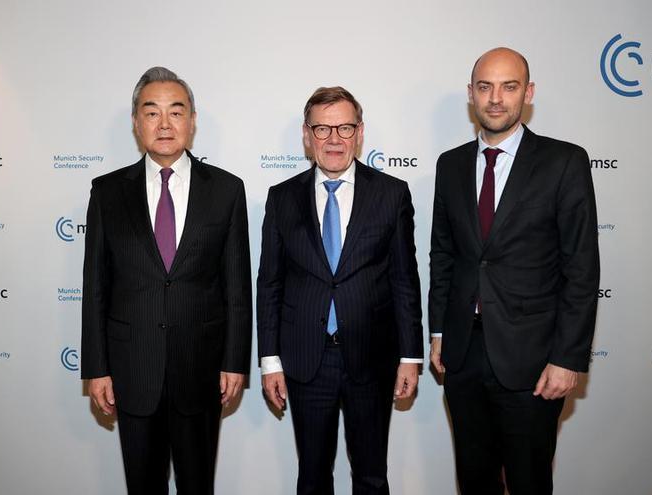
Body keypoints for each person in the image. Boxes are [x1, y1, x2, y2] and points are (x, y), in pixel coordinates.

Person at [428, 47, 600, 494]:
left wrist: (567, 358)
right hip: (463, 354)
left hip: (534, 359)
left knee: (528, 482)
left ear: (529, 92)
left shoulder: (564, 162)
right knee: (474, 480)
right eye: (485, 87)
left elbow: (581, 269)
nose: (496, 98)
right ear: (471, 93)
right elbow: (443, 255)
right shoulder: (450, 164)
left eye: (509, 86)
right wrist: (439, 332)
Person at [80, 66, 252, 495]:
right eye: (151, 112)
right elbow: (95, 288)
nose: (164, 124)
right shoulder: (107, 192)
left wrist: (234, 360)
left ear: (192, 121)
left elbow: (237, 287)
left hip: (201, 368)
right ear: (136, 122)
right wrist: (97, 368)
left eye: (175, 112)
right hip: (132, 368)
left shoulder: (227, 190)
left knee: (198, 485)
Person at [257, 86, 423, 494]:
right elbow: (270, 284)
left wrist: (410, 356)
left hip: (372, 357)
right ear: (306, 134)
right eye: (322, 128)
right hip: (306, 360)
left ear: (359, 132)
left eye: (344, 128)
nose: (334, 139)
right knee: (313, 476)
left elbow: (405, 280)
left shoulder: (392, 194)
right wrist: (270, 361)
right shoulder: (282, 198)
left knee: (371, 475)